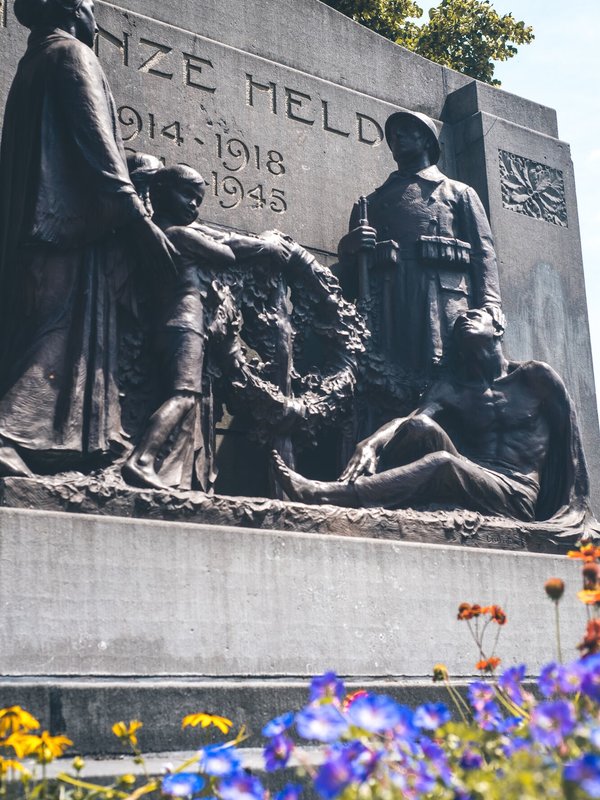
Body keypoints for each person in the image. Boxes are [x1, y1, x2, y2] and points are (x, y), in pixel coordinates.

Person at [0, 0, 176, 473]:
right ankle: (7, 437)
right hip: (64, 231)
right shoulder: (74, 55)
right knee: (55, 333)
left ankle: (87, 442)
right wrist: (140, 222)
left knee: (58, 333)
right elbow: (99, 147)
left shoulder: (33, 63)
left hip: (33, 230)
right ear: (77, 11)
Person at [272, 308, 598, 533]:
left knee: (443, 463)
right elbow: (410, 421)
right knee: (419, 428)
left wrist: (575, 509)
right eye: (458, 323)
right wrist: (370, 444)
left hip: (514, 493)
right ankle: (392, 500)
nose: (463, 320)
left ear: (498, 327)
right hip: (473, 474)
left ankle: (329, 495)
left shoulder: (534, 378)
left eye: (473, 316)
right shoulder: (454, 390)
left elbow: (570, 446)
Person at [122, 164, 293, 490]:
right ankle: (142, 460)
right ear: (159, 192)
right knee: (185, 395)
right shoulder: (180, 234)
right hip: (186, 325)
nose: (193, 205)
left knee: (179, 394)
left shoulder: (159, 234)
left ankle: (149, 461)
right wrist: (263, 244)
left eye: (198, 200)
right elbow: (226, 254)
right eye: (187, 194)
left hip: (166, 327)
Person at [338, 110, 502, 432]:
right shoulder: (370, 203)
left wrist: (491, 310)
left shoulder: (458, 193)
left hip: (444, 304)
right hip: (391, 304)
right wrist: (349, 247)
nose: (395, 139)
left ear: (426, 139)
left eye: (404, 131)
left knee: (444, 383)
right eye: (392, 134)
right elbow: (350, 284)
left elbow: (484, 254)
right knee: (393, 388)